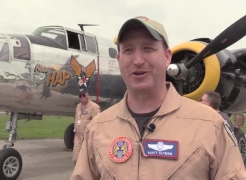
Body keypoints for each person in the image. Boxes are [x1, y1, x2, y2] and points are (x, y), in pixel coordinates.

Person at [70, 16, 246, 179]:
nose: (138, 60)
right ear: (119, 59)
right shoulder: (96, 129)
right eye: (129, 50)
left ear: (167, 56)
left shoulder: (211, 125)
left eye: (148, 48)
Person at [72, 91, 100, 166]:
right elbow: (76, 120)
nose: (82, 97)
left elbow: (97, 124)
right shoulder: (78, 106)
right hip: (78, 137)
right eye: (80, 96)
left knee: (88, 161)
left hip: (88, 138)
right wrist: (75, 137)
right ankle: (79, 175)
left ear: (88, 95)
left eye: (84, 95)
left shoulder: (94, 107)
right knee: (75, 159)